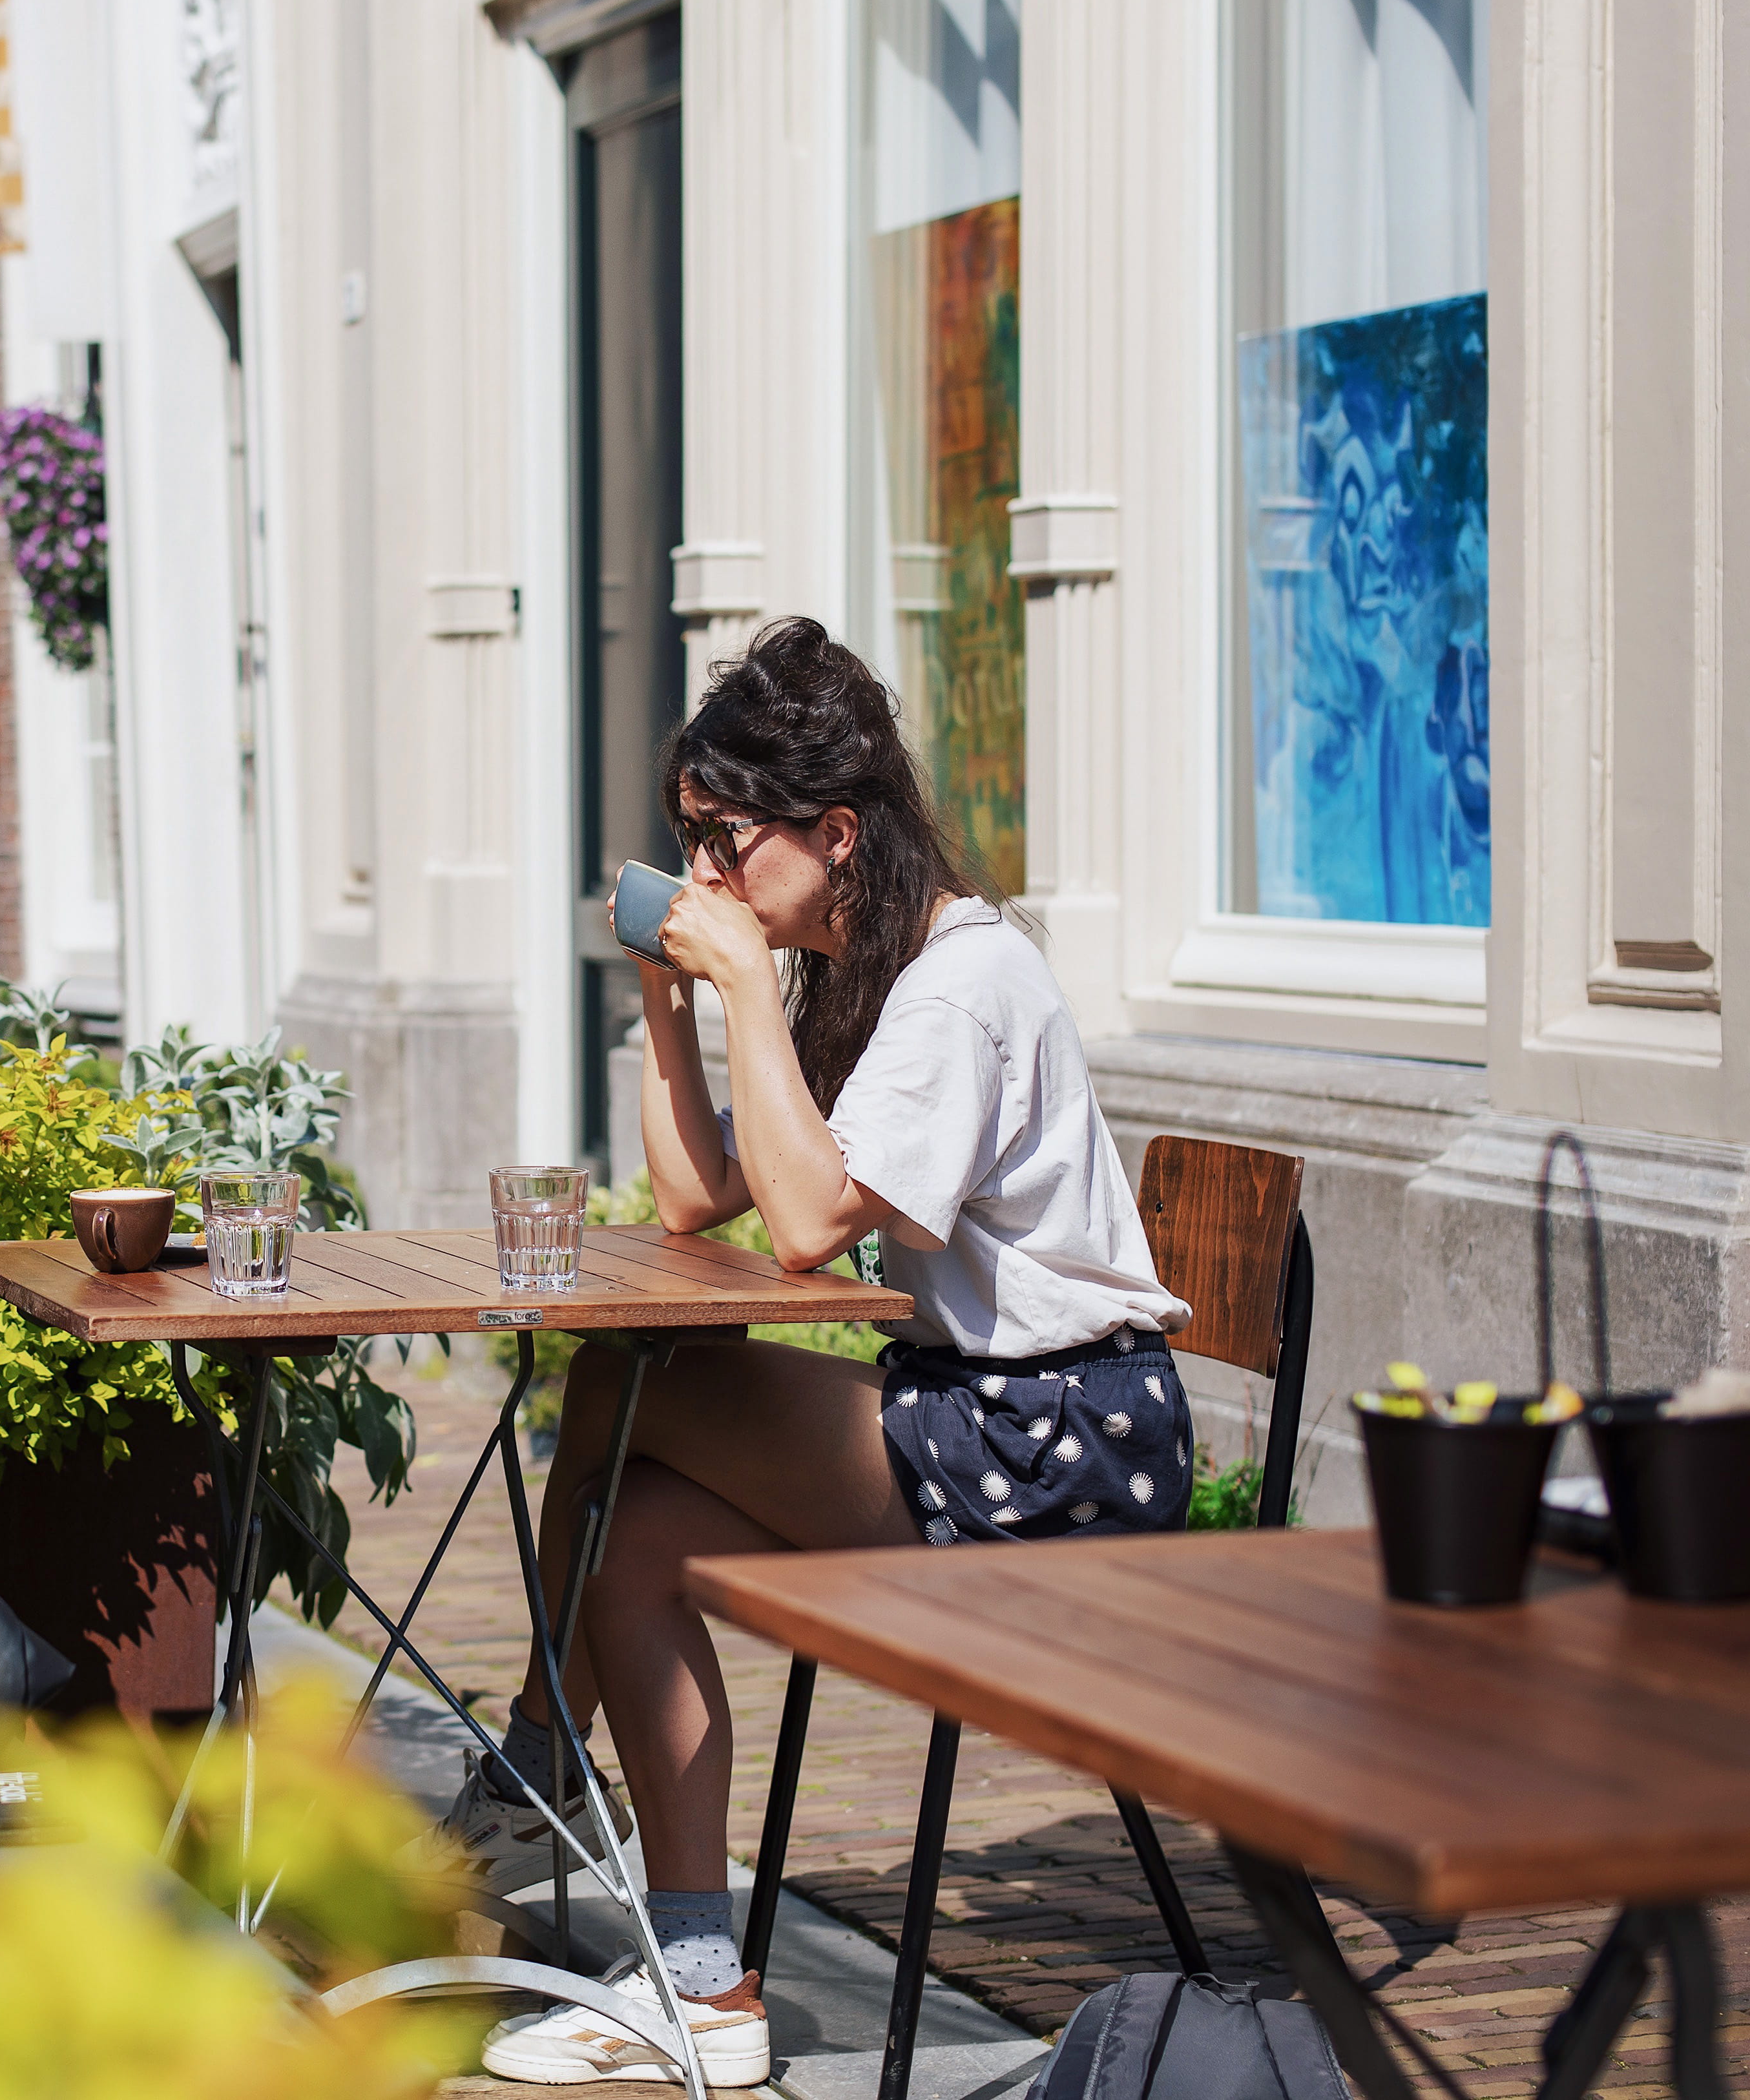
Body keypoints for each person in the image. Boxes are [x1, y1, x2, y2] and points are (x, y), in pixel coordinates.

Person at [442, 618, 1194, 2090]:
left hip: (1062, 1447)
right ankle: (701, 1982)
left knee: (632, 1378)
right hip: (990, 1420)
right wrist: (669, 985)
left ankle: (539, 1753)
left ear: (832, 833)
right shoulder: (868, 977)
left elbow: (794, 1229)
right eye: (689, 846)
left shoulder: (961, 986)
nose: (708, 875)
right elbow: (689, 1195)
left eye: (726, 842)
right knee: (636, 1532)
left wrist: (730, 981)